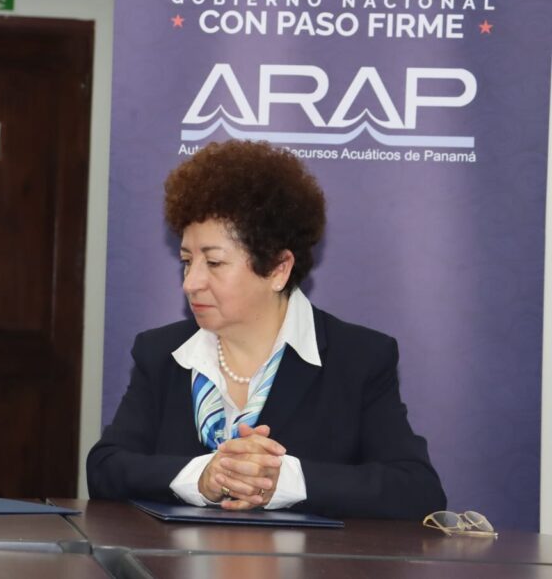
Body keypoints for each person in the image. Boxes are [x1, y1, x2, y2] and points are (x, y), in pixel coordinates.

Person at [87, 140, 445, 519]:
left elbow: (417, 490)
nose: (191, 283)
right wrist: (202, 477)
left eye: (214, 262)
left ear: (278, 269)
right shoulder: (161, 353)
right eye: (187, 261)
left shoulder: (358, 358)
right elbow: (105, 469)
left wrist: (284, 479)